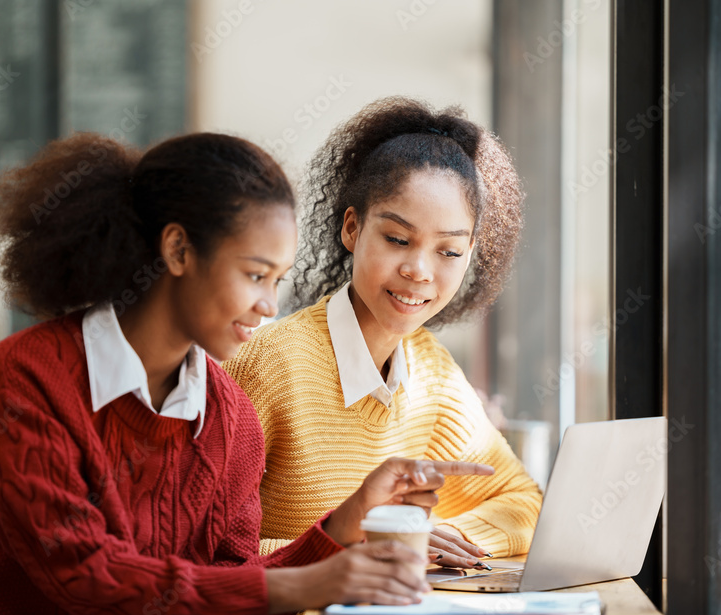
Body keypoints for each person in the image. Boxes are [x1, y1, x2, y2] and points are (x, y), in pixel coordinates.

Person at [0, 131, 493, 615]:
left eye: (278, 281)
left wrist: (344, 525)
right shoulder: (25, 379)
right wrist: (314, 580)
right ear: (177, 249)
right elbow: (93, 581)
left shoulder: (229, 418)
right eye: (254, 275)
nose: (270, 305)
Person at [225, 96, 543, 576]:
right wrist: (376, 547)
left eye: (449, 251)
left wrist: (431, 542)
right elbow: (204, 559)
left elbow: (523, 501)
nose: (419, 270)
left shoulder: (431, 371)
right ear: (352, 228)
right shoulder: (267, 365)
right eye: (398, 240)